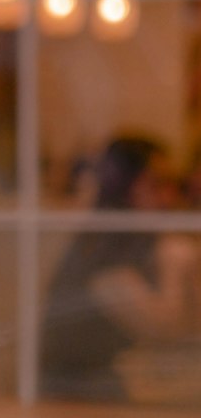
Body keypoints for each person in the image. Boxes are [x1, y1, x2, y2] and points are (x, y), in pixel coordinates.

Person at [41, 134, 199, 402]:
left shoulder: (140, 246)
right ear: (123, 189)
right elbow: (165, 332)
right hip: (77, 401)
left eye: (172, 184)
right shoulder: (103, 258)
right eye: (156, 184)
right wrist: (178, 263)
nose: (168, 197)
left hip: (115, 394)